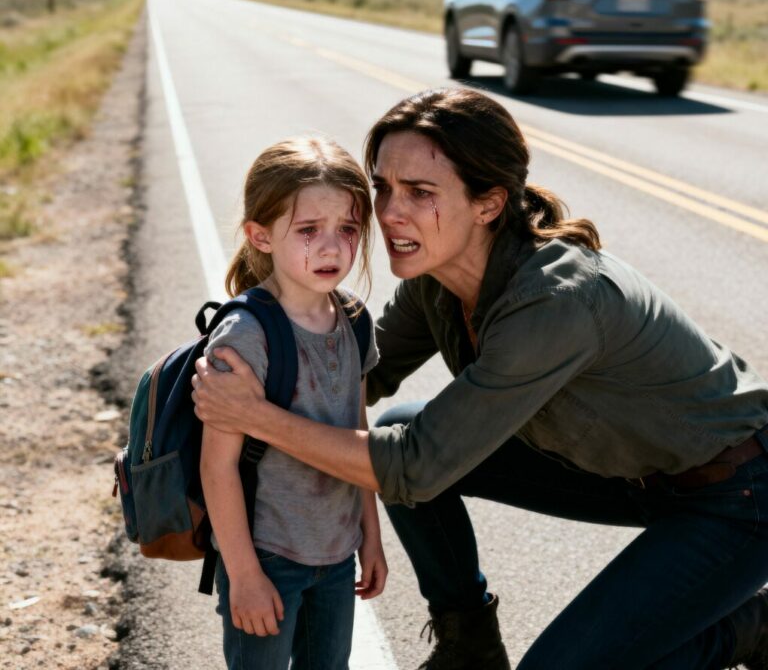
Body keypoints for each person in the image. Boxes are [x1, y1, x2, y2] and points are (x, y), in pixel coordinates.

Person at [192, 89, 768, 670]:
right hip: (632, 476)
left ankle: (746, 629)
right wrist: (195, 421)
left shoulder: (556, 301)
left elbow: (414, 467)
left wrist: (255, 418)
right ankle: (470, 645)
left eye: (420, 193)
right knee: (398, 424)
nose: (389, 214)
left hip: (738, 494)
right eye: (383, 187)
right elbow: (351, 383)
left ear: (488, 204)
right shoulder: (438, 278)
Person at [199, 136, 387, 670]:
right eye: (308, 231)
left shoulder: (353, 320)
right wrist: (244, 575)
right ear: (260, 236)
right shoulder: (245, 336)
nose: (332, 248)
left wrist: (370, 538)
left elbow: (357, 437)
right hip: (266, 556)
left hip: (336, 554)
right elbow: (218, 467)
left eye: (347, 230)